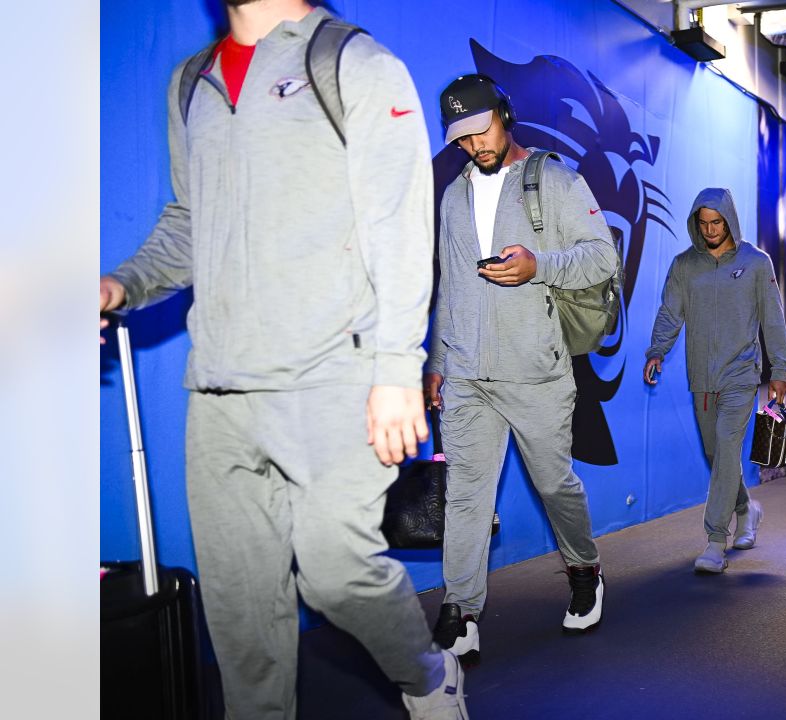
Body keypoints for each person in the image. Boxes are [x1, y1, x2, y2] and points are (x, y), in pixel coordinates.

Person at [98, 2, 466, 718]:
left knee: (335, 573)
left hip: (335, 375)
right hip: (221, 390)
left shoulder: (354, 63)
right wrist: (124, 284)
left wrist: (397, 369)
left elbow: (398, 225)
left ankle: (427, 675)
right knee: (242, 617)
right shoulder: (191, 82)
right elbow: (188, 220)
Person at [425, 73, 616, 661]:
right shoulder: (453, 195)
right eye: (461, 137)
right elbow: (450, 286)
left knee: (554, 484)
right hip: (466, 375)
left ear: (504, 117)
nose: (474, 145)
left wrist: (540, 265)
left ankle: (584, 569)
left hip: (535, 371)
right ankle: (461, 610)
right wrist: (437, 359)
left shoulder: (554, 180)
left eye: (482, 129)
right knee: (465, 495)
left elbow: (602, 257)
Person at [644, 188, 786, 574]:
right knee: (717, 455)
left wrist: (780, 370)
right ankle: (746, 509)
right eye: (703, 223)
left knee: (727, 446)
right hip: (701, 377)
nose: (710, 230)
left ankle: (714, 541)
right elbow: (670, 312)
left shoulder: (756, 263)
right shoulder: (684, 265)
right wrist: (656, 351)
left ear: (729, 220)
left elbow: (773, 319)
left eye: (717, 222)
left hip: (741, 375)